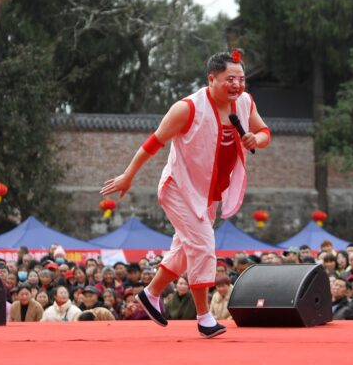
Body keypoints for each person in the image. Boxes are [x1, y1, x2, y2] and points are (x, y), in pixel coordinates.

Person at [101, 50, 271, 338]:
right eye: (230, 79)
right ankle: (204, 317)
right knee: (203, 246)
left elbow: (264, 131)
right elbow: (152, 144)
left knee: (183, 251)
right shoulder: (187, 108)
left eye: (241, 79)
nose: (237, 85)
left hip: (210, 192)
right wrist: (127, 176)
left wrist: (257, 139)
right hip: (179, 189)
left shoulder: (244, 102)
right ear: (212, 78)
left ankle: (151, 293)